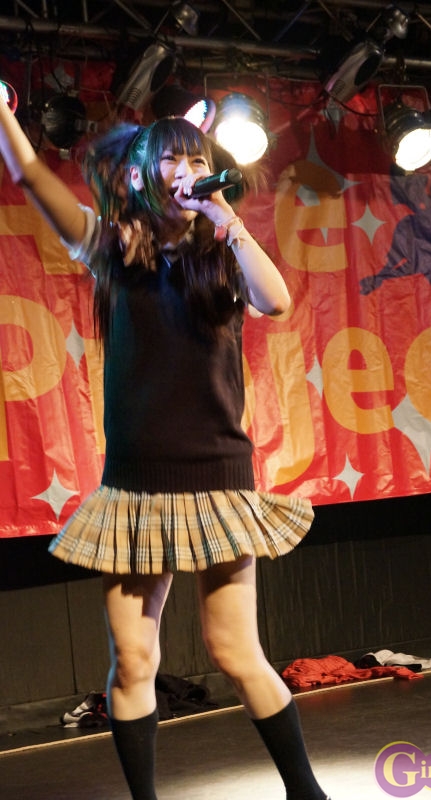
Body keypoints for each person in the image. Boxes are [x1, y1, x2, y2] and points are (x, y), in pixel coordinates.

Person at [0, 94, 329, 800]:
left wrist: (226, 218)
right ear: (141, 175)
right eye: (172, 158)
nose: (187, 169)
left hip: (218, 479)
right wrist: (1, 115)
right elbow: (30, 177)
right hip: (138, 487)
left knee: (236, 650)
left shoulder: (223, 255)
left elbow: (276, 301)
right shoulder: (114, 251)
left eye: (196, 158)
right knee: (134, 660)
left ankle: (308, 793)